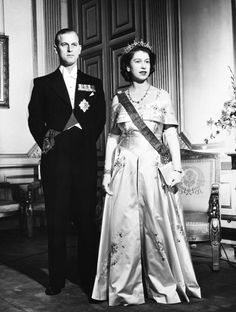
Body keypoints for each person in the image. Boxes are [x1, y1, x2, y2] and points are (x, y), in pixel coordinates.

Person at [91, 41, 201, 306]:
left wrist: (176, 167)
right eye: (137, 61)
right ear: (127, 67)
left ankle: (163, 283)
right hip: (125, 166)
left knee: (156, 223)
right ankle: (125, 287)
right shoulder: (119, 98)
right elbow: (113, 138)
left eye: (147, 61)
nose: (143, 66)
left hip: (154, 166)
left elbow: (171, 134)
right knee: (124, 225)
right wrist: (107, 172)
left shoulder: (162, 96)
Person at [28, 28, 106, 297]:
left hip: (84, 162)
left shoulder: (94, 84)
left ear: (81, 48)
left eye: (74, 45)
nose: (70, 49)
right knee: (56, 222)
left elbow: (98, 120)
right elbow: (35, 121)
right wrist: (53, 146)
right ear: (56, 48)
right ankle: (56, 280)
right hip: (55, 163)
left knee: (86, 222)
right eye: (64, 44)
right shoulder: (43, 84)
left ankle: (88, 279)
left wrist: (81, 143)